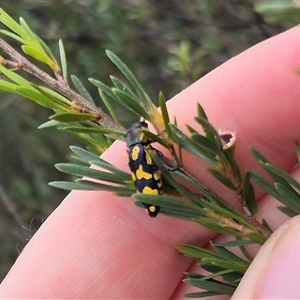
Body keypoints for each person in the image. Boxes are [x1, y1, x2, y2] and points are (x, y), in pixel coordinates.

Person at [1, 26, 300, 300]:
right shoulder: (138, 151)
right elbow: (152, 165)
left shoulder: (135, 150)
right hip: (152, 195)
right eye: (143, 131)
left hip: (152, 195)